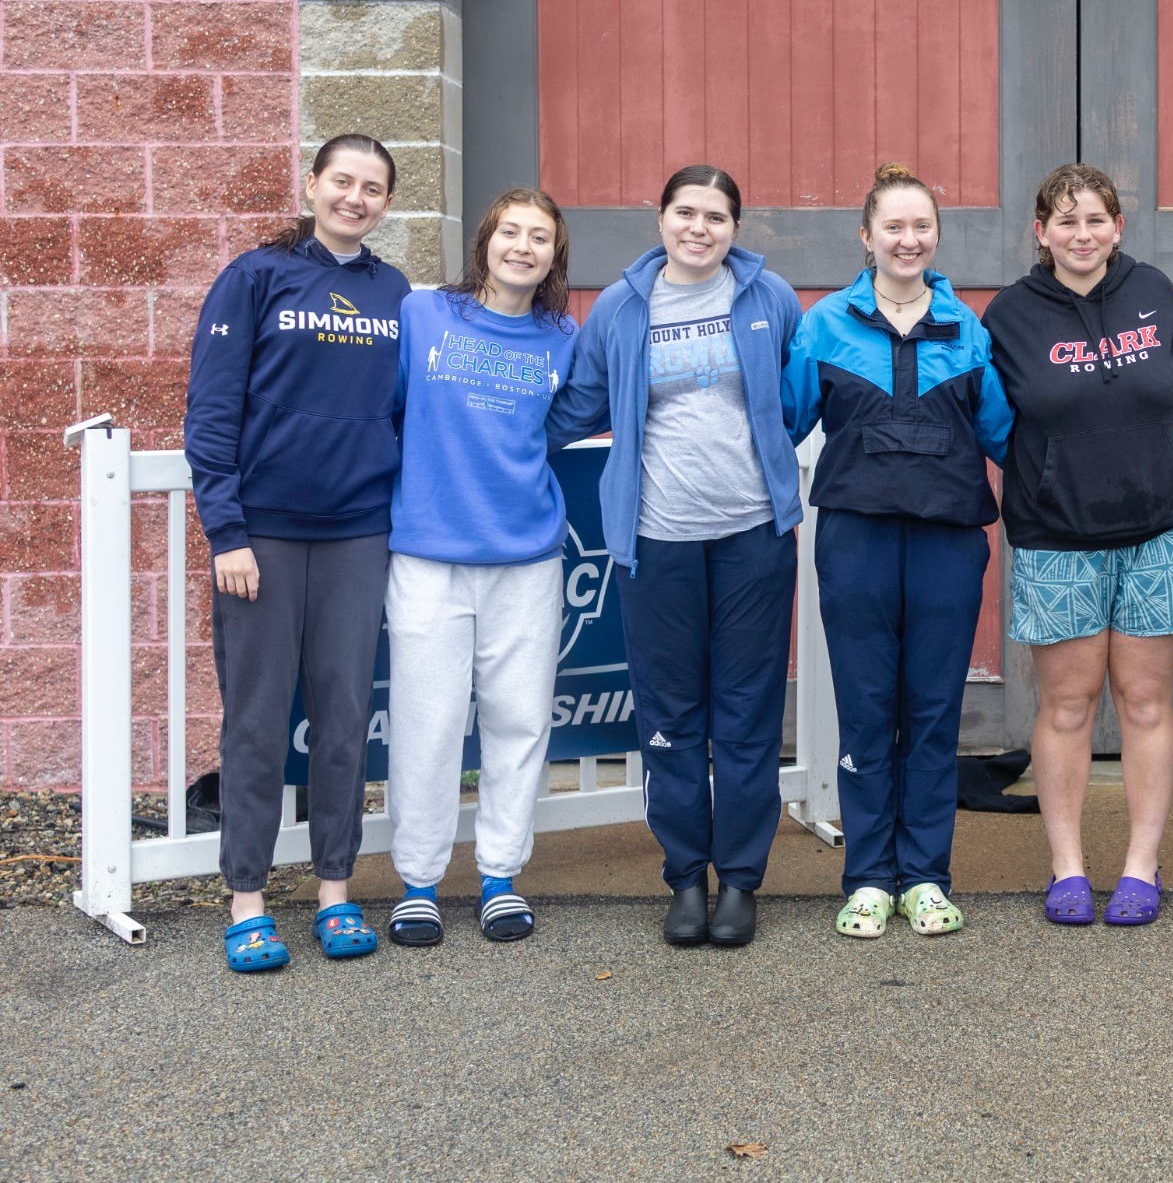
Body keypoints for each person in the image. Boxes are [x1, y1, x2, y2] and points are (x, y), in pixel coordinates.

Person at [545, 165, 803, 949]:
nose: (700, 227)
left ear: (735, 226)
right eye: (686, 212)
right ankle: (686, 875)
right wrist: (478, 427)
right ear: (659, 217)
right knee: (671, 715)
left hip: (753, 535)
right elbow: (576, 406)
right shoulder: (623, 308)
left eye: (717, 215)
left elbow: (798, 400)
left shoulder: (770, 299)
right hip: (656, 538)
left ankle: (742, 881)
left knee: (748, 714)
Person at [184, 134, 408, 972]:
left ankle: (335, 892)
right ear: (312, 185)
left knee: (345, 716)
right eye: (342, 181)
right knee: (256, 721)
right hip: (264, 541)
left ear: (388, 202)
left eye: (373, 187)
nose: (356, 197)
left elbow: (403, 411)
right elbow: (211, 411)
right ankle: (247, 900)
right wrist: (227, 532)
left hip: (357, 534)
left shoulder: (394, 292)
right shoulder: (255, 276)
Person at [782, 163, 1012, 939]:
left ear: (936, 236)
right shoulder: (824, 325)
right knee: (868, 707)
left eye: (921, 227)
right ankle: (871, 877)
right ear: (867, 237)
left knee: (933, 710)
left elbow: (1006, 433)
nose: (907, 239)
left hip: (949, 540)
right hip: (856, 539)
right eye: (894, 227)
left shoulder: (968, 327)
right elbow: (781, 417)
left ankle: (926, 877)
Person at [982, 163, 1173, 927]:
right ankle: (1068, 867)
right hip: (1057, 537)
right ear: (1040, 232)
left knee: (1145, 701)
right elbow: (991, 417)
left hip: (1158, 529)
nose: (1083, 235)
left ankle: (1142, 866)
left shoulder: (1156, 294)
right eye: (1065, 222)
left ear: (1119, 226)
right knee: (1068, 705)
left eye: (1096, 220)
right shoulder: (1009, 314)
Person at [383, 188, 577, 947]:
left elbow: (564, 423)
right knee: (427, 724)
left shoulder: (564, 337)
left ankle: (500, 874)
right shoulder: (425, 315)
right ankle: (419, 882)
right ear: (485, 241)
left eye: (540, 238)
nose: (523, 247)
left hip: (525, 558)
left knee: (518, 720)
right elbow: (389, 408)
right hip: (429, 555)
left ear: (555, 256)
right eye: (511, 232)